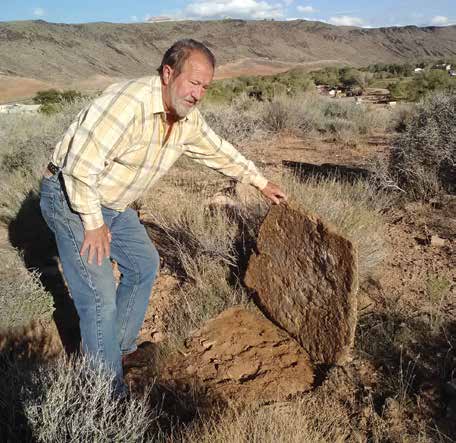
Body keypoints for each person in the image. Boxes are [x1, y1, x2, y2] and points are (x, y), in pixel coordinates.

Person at [39, 39, 287, 395]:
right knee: (98, 294)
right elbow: (80, 167)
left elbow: (217, 150)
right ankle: (106, 394)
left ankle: (121, 349)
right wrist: (93, 224)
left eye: (205, 86)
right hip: (71, 197)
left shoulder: (186, 119)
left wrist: (260, 181)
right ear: (168, 73)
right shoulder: (128, 104)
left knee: (143, 264)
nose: (198, 93)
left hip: (113, 201)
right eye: (193, 82)